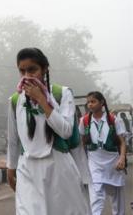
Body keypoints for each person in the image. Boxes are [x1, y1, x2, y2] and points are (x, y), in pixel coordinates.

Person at [7, 48, 89, 214]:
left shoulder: (62, 94)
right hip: (27, 169)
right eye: (22, 71)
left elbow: (66, 131)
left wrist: (43, 101)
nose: (27, 76)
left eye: (32, 69)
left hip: (58, 168)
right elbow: (13, 138)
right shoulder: (15, 100)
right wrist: (11, 167)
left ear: (44, 69)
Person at [79, 92, 127, 215]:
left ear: (102, 102)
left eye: (93, 101)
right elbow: (82, 142)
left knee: (117, 198)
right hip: (94, 163)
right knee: (96, 196)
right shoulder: (84, 121)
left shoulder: (114, 120)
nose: (90, 104)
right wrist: (82, 161)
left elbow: (122, 142)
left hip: (113, 163)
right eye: (88, 102)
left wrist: (122, 158)